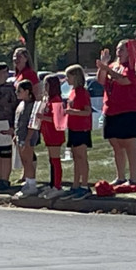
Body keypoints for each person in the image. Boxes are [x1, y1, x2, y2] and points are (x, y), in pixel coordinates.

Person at [98, 43, 136, 190]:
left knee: (130, 144)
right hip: (111, 110)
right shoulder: (112, 65)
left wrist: (106, 69)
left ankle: (134, 178)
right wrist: (104, 66)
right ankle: (120, 177)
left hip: (130, 110)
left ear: (129, 52)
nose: (118, 51)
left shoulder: (132, 66)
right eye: (117, 48)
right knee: (116, 145)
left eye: (122, 49)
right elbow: (101, 80)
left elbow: (124, 80)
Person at [62, 65, 92, 198]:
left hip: (82, 128)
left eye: (69, 76)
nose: (67, 79)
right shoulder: (72, 91)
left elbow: (87, 111)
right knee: (75, 157)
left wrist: (71, 112)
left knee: (81, 157)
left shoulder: (82, 92)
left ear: (76, 77)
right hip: (73, 128)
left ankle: (85, 185)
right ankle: (75, 184)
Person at [37, 73, 66, 195]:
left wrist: (43, 117)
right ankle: (52, 183)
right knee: (51, 160)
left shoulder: (57, 100)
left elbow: (58, 120)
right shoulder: (47, 100)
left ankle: (57, 186)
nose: (45, 87)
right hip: (48, 134)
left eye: (47, 85)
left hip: (55, 135)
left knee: (55, 160)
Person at [12, 79, 41, 197]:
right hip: (20, 135)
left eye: (19, 91)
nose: (17, 93)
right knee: (24, 160)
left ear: (27, 91)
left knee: (28, 160)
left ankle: (32, 184)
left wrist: (28, 139)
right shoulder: (21, 104)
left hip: (28, 136)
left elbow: (33, 123)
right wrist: (15, 134)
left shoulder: (32, 105)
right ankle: (28, 182)